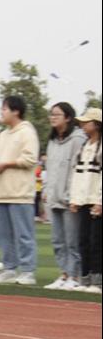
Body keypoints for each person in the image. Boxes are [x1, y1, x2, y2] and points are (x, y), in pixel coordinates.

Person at [0, 96, 40, 286]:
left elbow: (30, 159)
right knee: (4, 235)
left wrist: (7, 164)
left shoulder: (27, 132)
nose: (1, 112)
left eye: (4, 109)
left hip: (20, 193)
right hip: (2, 192)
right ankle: (9, 268)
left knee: (24, 234)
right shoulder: (2, 135)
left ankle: (28, 271)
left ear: (16, 111)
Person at [43, 103, 85, 290]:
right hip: (53, 198)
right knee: (58, 241)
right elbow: (49, 169)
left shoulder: (77, 139)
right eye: (51, 115)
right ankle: (64, 274)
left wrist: (72, 194)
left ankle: (75, 276)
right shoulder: (52, 141)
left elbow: (77, 170)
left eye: (56, 115)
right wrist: (46, 190)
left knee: (72, 240)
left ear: (68, 117)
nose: (52, 118)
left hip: (70, 199)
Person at [69, 108, 102, 293]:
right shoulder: (84, 146)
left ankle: (98, 281)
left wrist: (100, 201)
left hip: (95, 199)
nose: (82, 125)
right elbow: (78, 174)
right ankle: (86, 279)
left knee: (96, 241)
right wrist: (74, 198)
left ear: (96, 124)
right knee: (83, 240)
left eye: (86, 122)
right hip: (83, 199)